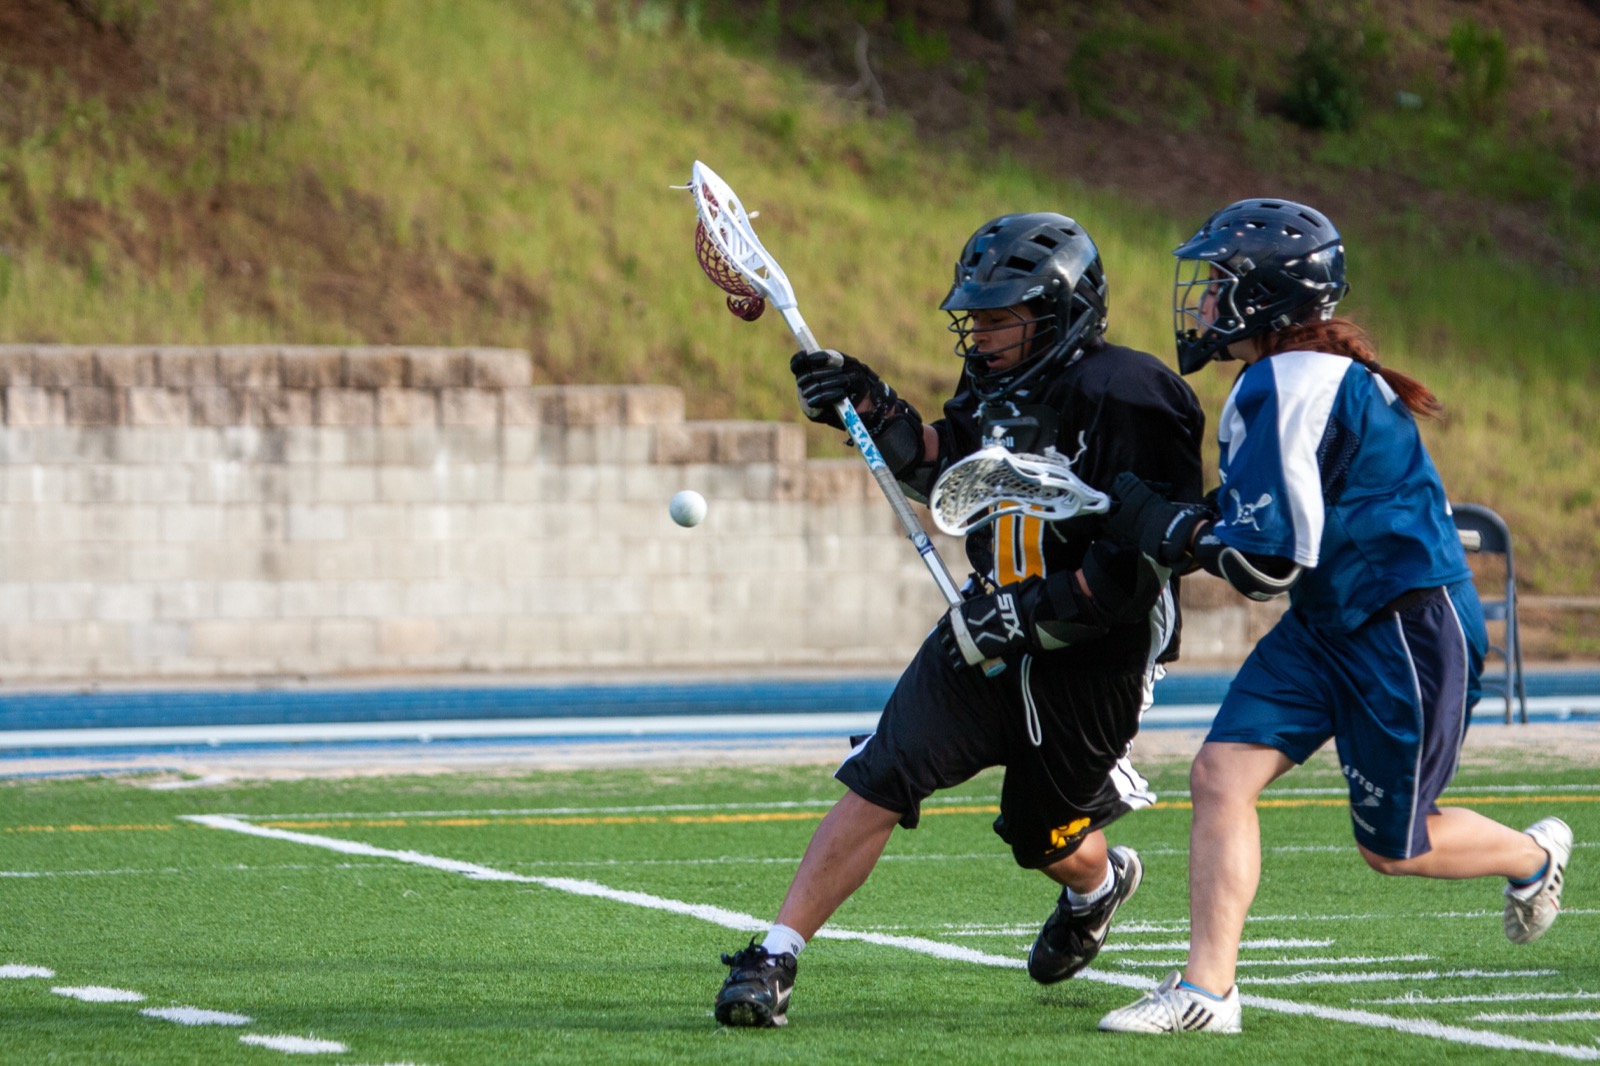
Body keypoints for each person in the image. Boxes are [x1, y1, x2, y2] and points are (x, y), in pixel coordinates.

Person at [712, 212, 1206, 1028]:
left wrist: (1035, 615)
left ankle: (1098, 882)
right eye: (973, 318)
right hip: (985, 625)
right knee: (882, 772)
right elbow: (946, 468)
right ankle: (776, 956)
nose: (980, 335)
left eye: (1000, 317)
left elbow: (1140, 562)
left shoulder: (1131, 394)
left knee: (1041, 834)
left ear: (1062, 311)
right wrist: (867, 403)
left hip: (1093, 652)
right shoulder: (998, 382)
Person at [1096, 198, 1573, 1035]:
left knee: (1396, 848)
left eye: (1219, 284)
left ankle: (1533, 857)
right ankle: (1208, 993)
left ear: (1264, 297)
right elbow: (1267, 527)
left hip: (1401, 626)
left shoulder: (1291, 380)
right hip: (1332, 618)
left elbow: (1265, 562)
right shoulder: (1284, 376)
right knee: (1219, 777)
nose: (1204, 302)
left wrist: (1169, 528)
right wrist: (1175, 520)